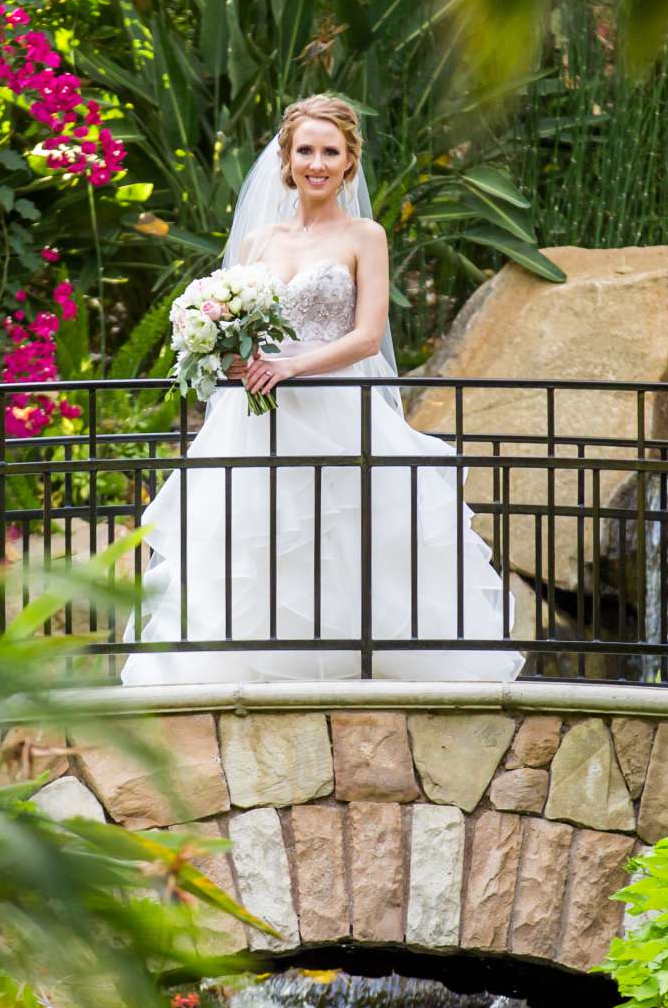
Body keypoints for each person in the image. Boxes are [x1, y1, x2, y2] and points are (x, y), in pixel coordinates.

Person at [121, 92, 523, 683]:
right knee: (251, 538)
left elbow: (366, 337)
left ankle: (356, 663)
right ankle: (243, 668)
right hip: (259, 418)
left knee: (347, 537)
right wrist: (233, 359)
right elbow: (243, 333)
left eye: (330, 151)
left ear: (348, 162)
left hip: (336, 407)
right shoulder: (260, 243)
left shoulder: (366, 235)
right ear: (286, 159)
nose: (317, 162)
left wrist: (292, 366)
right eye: (305, 149)